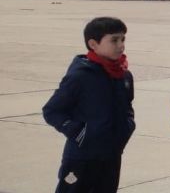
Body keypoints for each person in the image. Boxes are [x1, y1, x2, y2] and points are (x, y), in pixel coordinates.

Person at [42, 16, 135, 193]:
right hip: (82, 157)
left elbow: (127, 106)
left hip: (111, 155)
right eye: (114, 40)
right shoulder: (81, 76)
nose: (121, 45)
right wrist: (80, 133)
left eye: (123, 39)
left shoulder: (124, 76)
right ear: (93, 44)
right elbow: (52, 110)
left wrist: (127, 125)